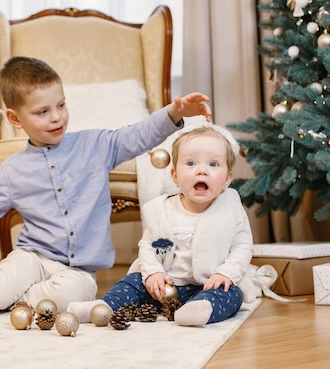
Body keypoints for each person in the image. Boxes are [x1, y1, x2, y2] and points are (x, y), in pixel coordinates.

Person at [0, 56, 211, 313]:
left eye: (61, 105)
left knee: (78, 295)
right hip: (31, 257)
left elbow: (136, 136)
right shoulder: (13, 171)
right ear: (15, 118)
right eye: (42, 112)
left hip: (78, 272)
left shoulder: (96, 145)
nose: (57, 117)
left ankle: (20, 301)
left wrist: (173, 113)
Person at [67, 125, 254, 326]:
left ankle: (199, 309)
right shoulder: (163, 210)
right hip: (164, 287)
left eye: (213, 164)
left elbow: (242, 246)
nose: (201, 170)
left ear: (227, 179)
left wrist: (225, 273)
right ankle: (101, 307)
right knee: (133, 283)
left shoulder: (230, 209)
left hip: (208, 285)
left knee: (232, 294)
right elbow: (148, 246)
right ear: (175, 176)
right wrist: (154, 273)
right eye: (190, 163)